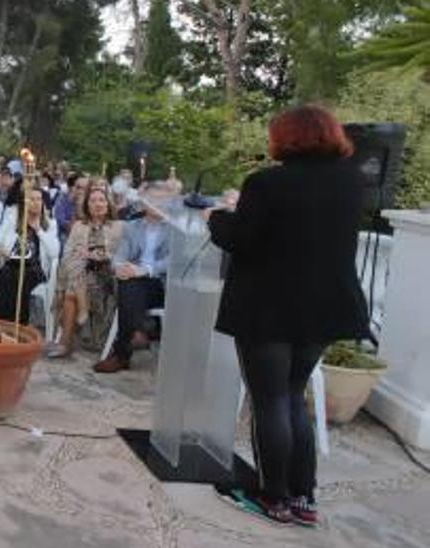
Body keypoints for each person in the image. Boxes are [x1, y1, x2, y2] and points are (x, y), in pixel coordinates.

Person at [207, 105, 369, 527]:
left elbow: (244, 240)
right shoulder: (352, 182)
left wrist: (219, 217)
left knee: (271, 401)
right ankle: (303, 496)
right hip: (324, 309)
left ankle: (271, 496)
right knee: (294, 396)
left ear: (286, 138)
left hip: (270, 308)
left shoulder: (266, 183)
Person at [93, 181, 174, 374]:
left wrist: (145, 269)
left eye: (163, 200)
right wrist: (120, 268)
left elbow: (173, 262)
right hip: (134, 282)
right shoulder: (132, 227)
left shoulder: (174, 228)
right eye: (153, 199)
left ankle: (122, 354)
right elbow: (120, 256)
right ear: (144, 202)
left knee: (132, 283)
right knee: (129, 282)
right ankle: (137, 331)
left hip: (162, 285)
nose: (158, 204)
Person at [48, 187, 124, 358]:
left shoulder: (119, 227)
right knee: (76, 261)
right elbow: (66, 253)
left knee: (71, 289)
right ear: (87, 206)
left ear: (108, 204)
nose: (97, 204)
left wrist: (105, 255)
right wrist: (85, 255)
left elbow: (125, 255)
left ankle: (65, 343)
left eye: (101, 200)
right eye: (93, 201)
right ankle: (81, 310)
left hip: (106, 275)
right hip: (82, 274)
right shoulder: (79, 227)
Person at [0, 187, 59, 325]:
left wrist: (39, 230)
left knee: (21, 279)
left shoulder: (49, 224)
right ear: (23, 202)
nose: (36, 203)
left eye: (39, 199)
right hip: (11, 265)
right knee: (7, 277)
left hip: (35, 269)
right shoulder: (12, 221)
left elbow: (54, 252)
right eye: (31, 199)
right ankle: (8, 327)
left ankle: (7, 326)